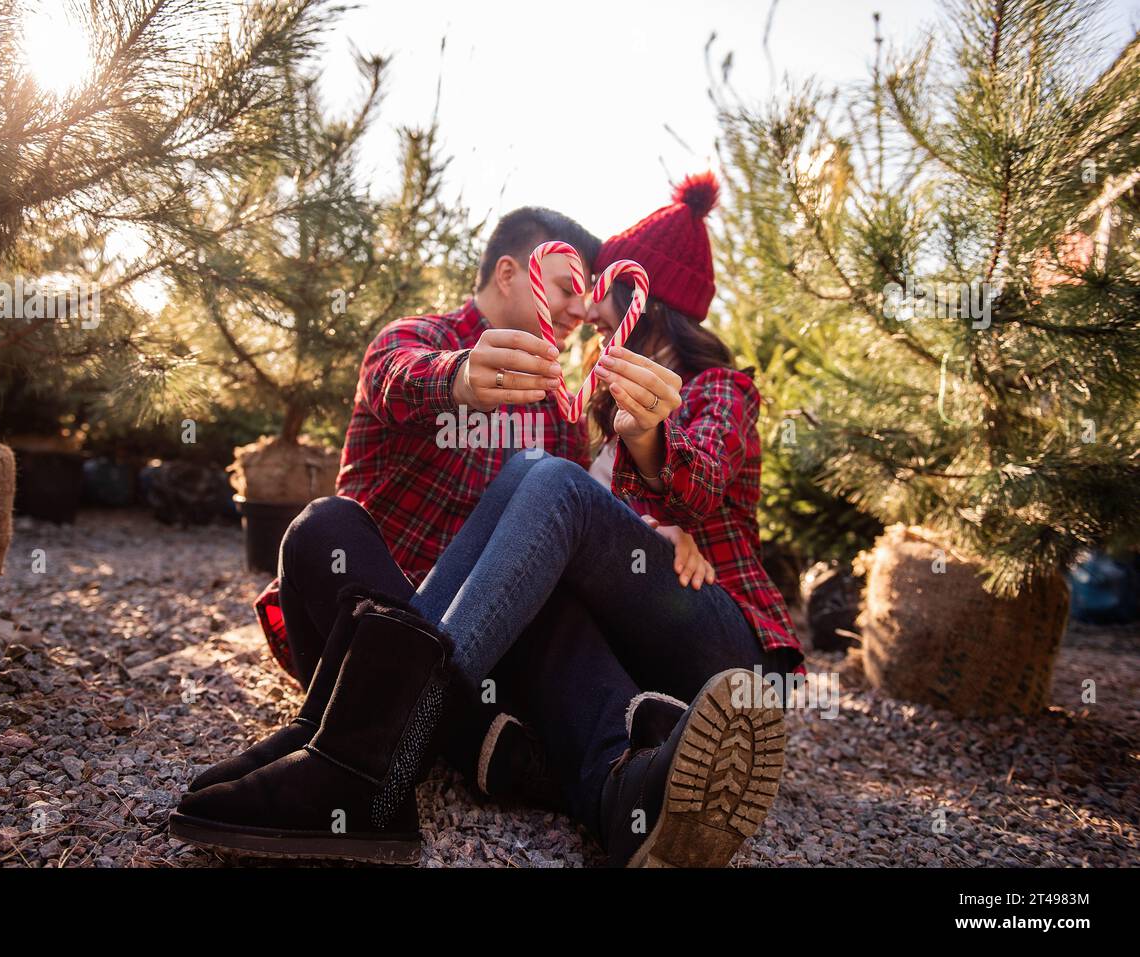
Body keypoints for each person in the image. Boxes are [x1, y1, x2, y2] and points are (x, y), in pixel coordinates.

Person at [170, 171, 806, 868]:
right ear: (512, 273)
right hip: (401, 609)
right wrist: (459, 377)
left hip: (512, 634)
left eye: (595, 295)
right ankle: (531, 765)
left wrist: (659, 516)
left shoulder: (617, 405)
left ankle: (361, 749)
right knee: (323, 529)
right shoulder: (421, 339)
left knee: (545, 502)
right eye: (569, 288)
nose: (583, 314)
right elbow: (393, 375)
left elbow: (647, 503)